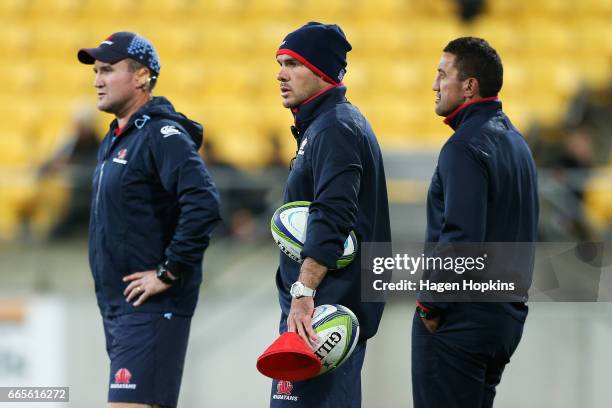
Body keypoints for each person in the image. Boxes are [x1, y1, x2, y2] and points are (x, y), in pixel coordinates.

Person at [77, 32, 221, 408]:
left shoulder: (161, 133)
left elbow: (203, 201)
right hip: (119, 305)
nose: (97, 80)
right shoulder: (116, 137)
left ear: (142, 76)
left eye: (107, 70)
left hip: (150, 307)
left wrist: (168, 271)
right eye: (95, 71)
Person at [412, 37, 539, 407]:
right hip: (505, 316)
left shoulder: (464, 146)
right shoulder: (517, 143)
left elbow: (462, 238)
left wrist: (429, 304)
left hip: (461, 319)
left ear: (469, 86)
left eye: (442, 75)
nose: (435, 85)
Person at [271, 22, 391, 407]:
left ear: (322, 71)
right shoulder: (326, 125)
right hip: (318, 310)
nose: (280, 73)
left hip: (321, 316)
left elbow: (333, 214)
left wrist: (304, 292)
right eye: (280, 63)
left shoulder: (335, 127)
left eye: (293, 64)